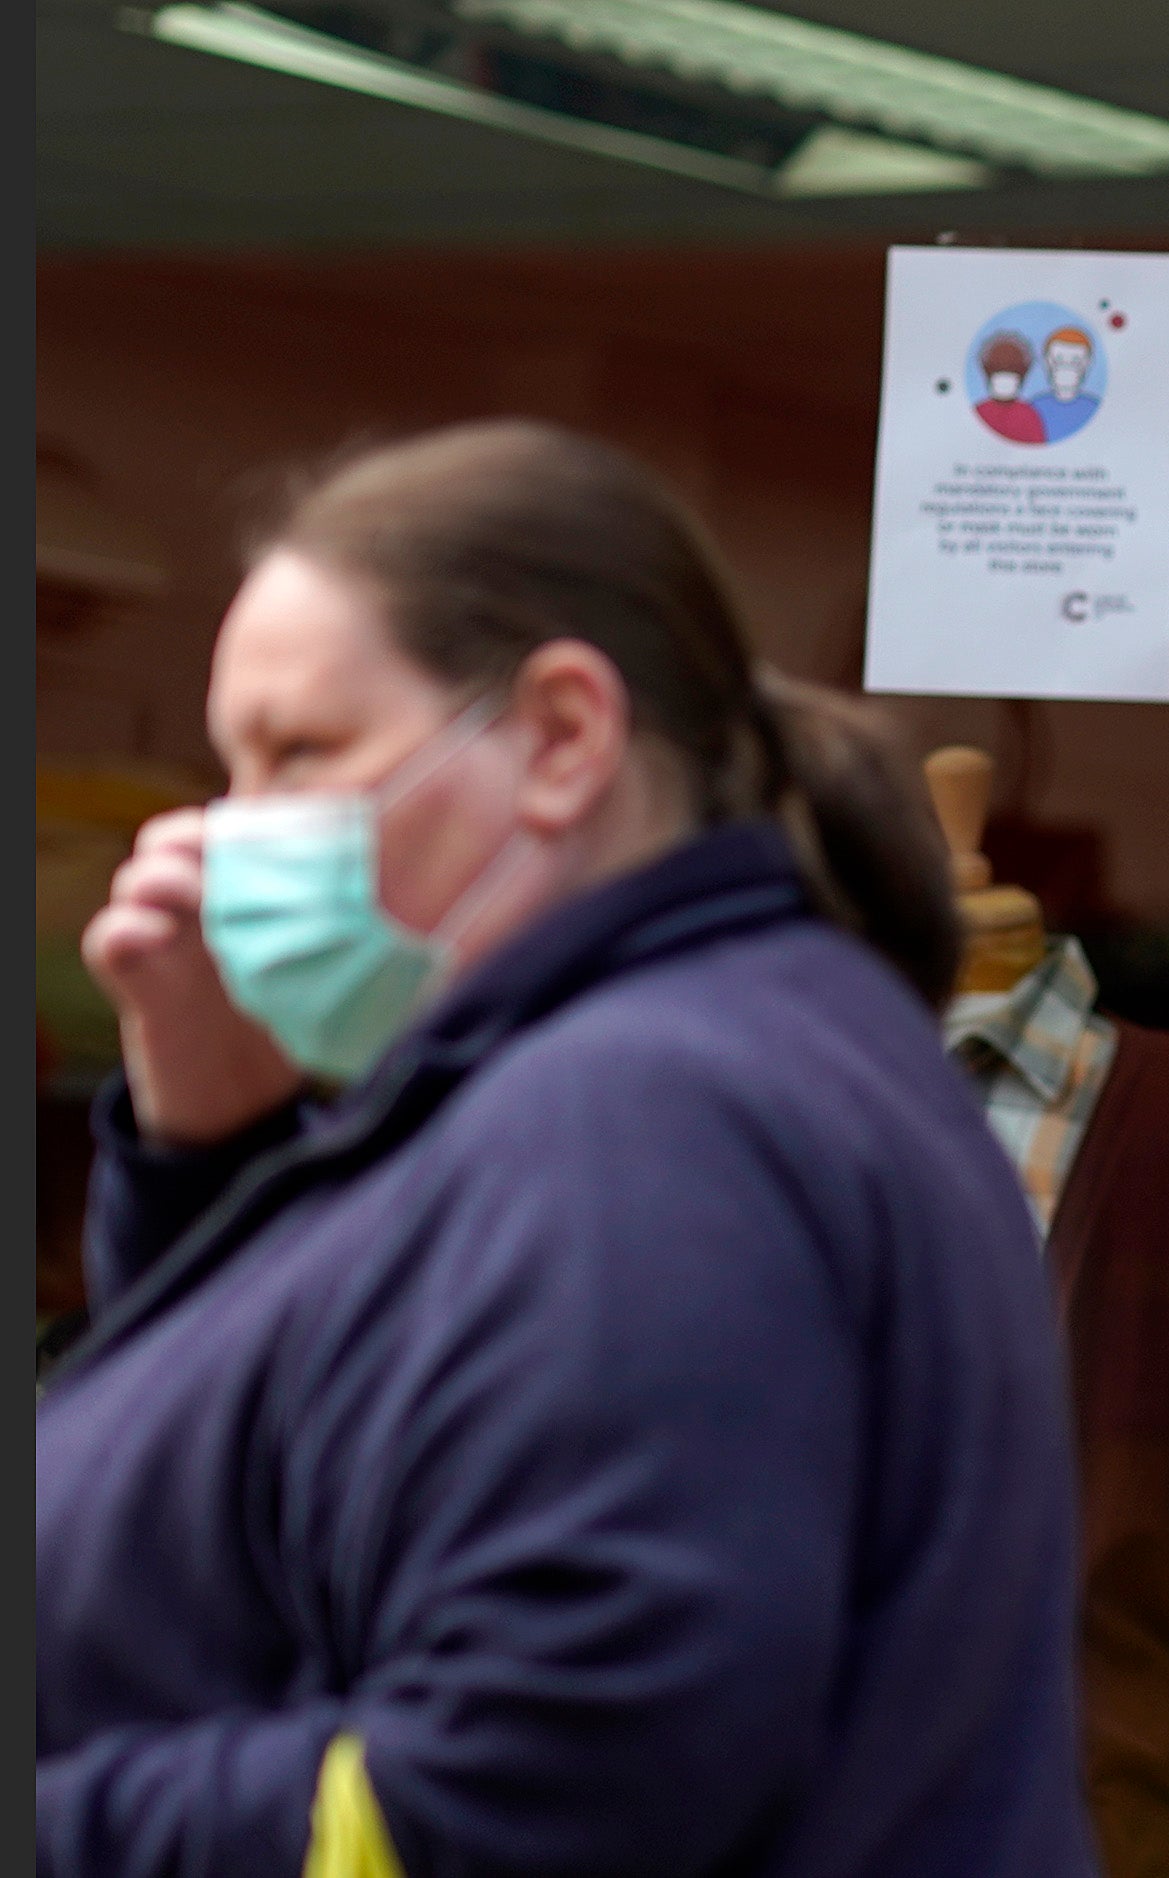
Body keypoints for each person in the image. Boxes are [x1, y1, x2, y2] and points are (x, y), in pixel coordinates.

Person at [36, 421, 1098, 1878]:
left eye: (302, 753)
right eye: (233, 767)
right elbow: (297, 1524)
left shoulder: (644, 1115)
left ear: (560, 737)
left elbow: (557, 1769)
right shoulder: (702, 1052)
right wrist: (218, 1150)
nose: (230, 837)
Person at [976, 330, 1048, 443]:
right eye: (999, 378)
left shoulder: (1028, 416)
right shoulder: (979, 412)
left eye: (1010, 378)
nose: (1004, 384)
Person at [1032, 327, 1102, 442]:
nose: (1066, 367)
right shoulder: (1034, 409)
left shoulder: (1093, 409)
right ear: (1047, 361)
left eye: (1075, 361)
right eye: (1058, 359)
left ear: (1087, 363)